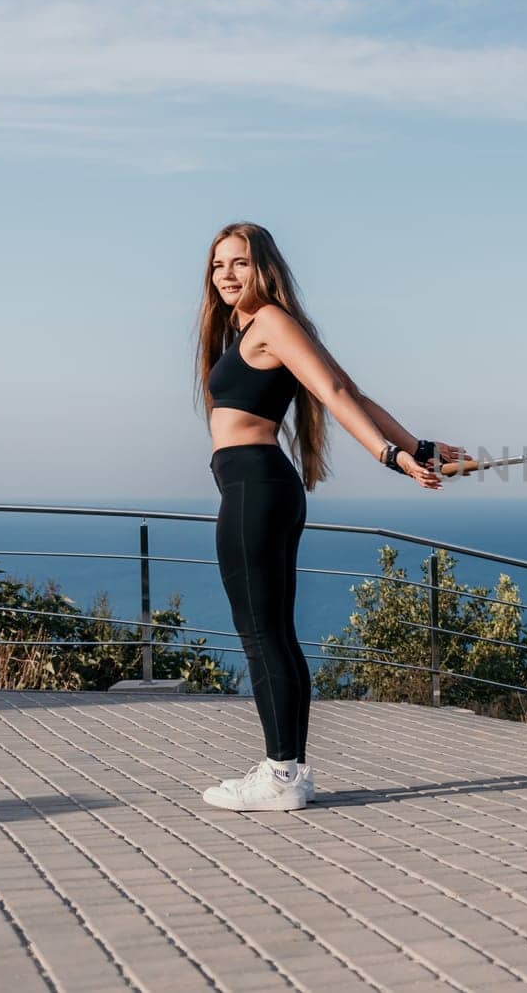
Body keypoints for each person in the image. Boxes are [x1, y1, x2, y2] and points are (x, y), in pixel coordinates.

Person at [196, 221, 462, 812]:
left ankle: (281, 775)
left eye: (239, 263)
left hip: (256, 487)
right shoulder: (248, 327)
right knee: (272, 633)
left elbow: (339, 392)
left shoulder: (270, 322)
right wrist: (418, 446)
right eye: (218, 266)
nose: (227, 276)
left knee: (262, 634)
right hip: (256, 487)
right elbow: (352, 391)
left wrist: (391, 455)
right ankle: (286, 770)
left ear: (263, 268)